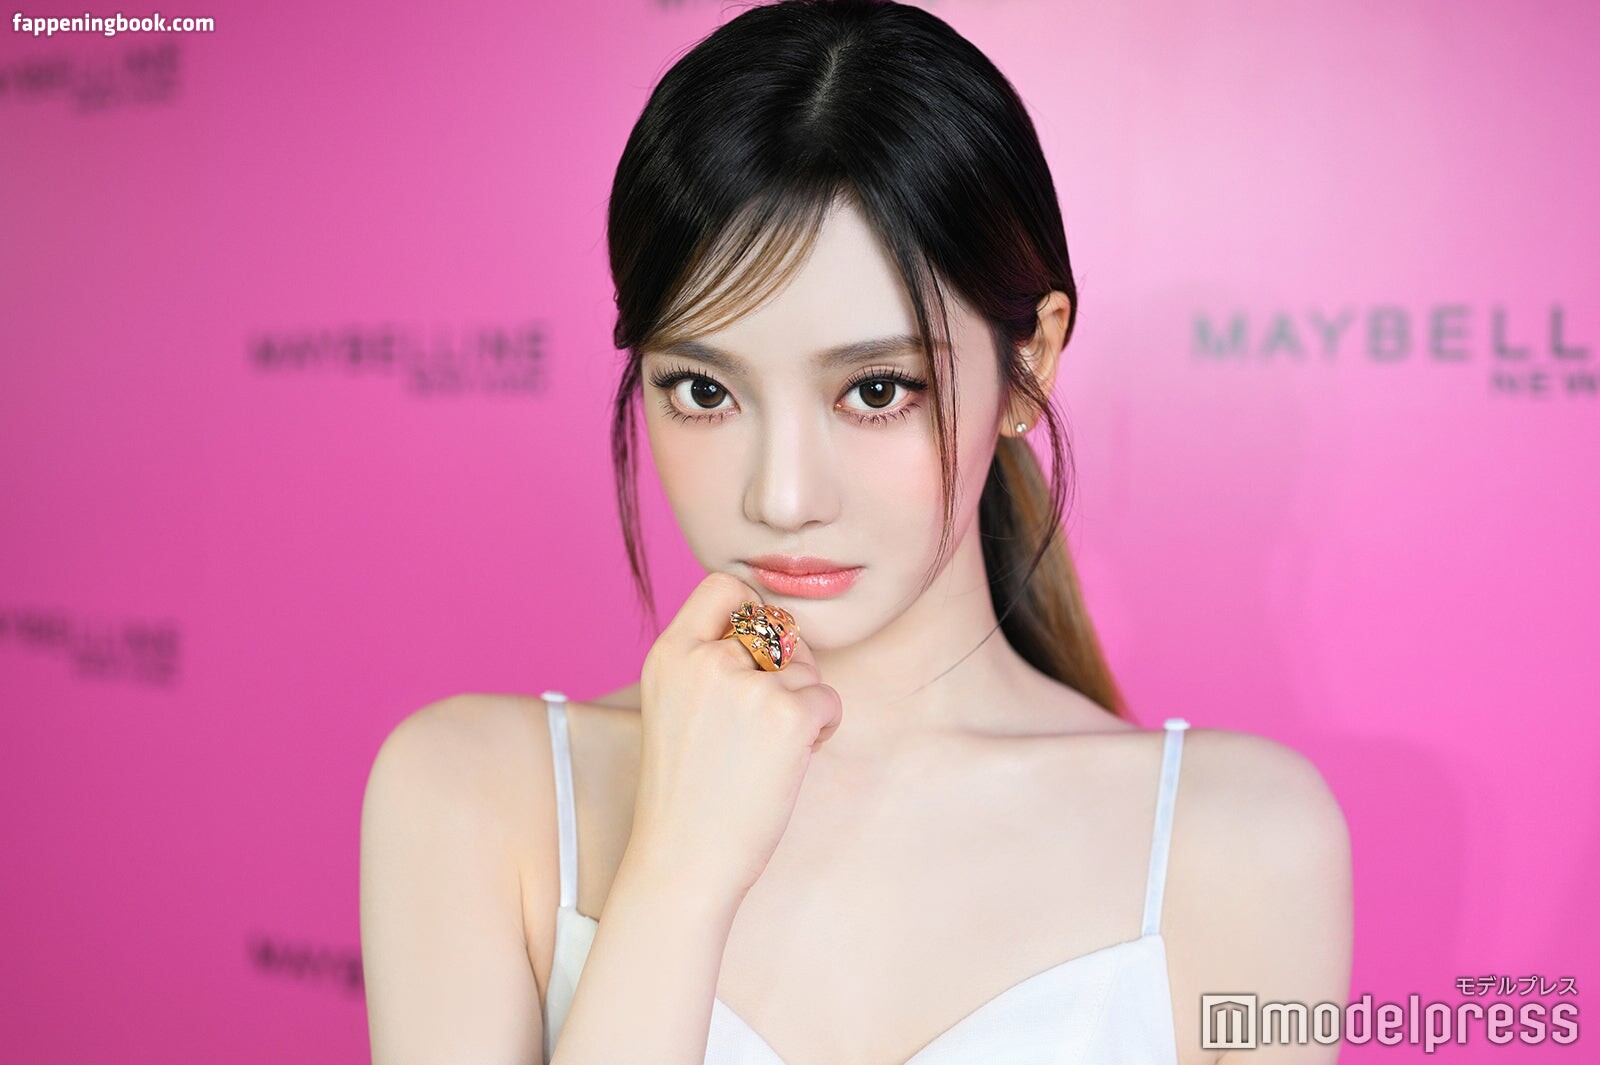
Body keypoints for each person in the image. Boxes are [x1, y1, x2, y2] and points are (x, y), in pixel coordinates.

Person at [359, 1, 1353, 1063]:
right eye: (704, 389)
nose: (782, 498)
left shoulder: (1240, 843)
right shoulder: (471, 796)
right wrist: (679, 874)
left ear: (1030, 364)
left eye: (876, 390)